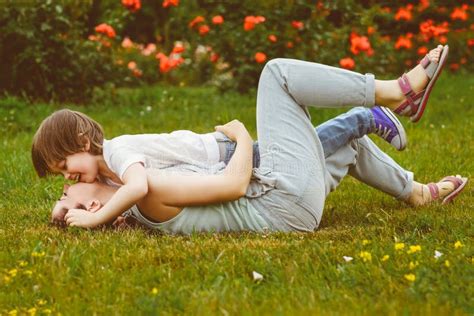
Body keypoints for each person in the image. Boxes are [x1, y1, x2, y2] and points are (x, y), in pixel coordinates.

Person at [45, 44, 466, 233]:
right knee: (276, 73)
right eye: (69, 200)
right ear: (94, 207)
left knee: (345, 145)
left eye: (65, 179)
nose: (67, 185)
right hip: (283, 203)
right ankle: (394, 92)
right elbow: (234, 183)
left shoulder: (130, 180)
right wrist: (242, 136)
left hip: (288, 203)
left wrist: (106, 215)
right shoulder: (146, 190)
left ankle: (415, 193)